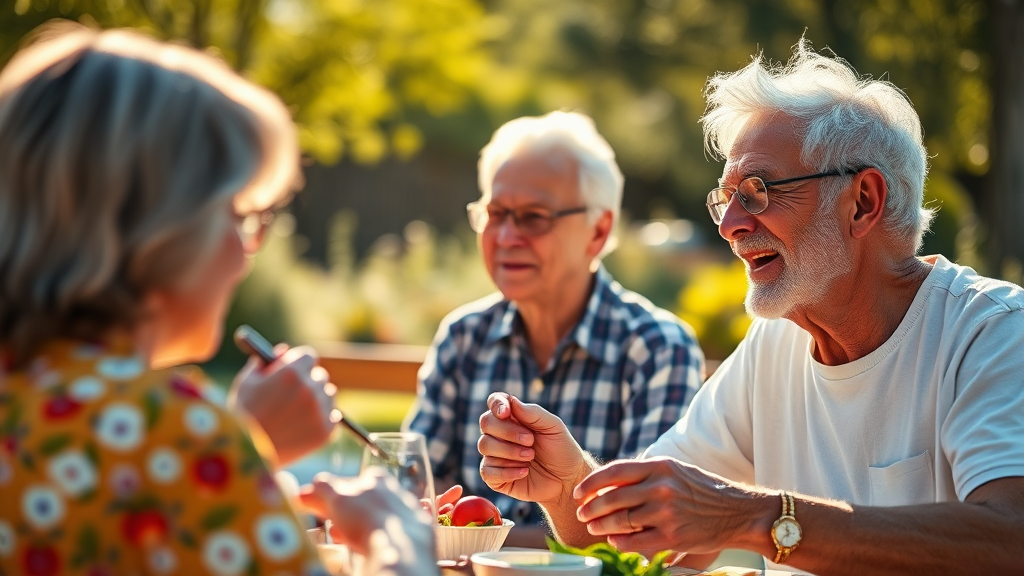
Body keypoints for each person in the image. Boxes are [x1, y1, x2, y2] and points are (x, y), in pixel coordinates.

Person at [477, 41, 1024, 575]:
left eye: (759, 190)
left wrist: (757, 517)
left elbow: (1010, 539)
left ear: (862, 202)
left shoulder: (994, 332)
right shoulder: (775, 343)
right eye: (727, 197)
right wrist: (569, 486)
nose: (730, 224)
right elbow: (655, 543)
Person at [0, 23, 436, 576]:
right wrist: (399, 541)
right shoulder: (176, 433)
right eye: (236, 215)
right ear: (158, 225)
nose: (244, 253)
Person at [405, 111, 704, 542]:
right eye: (496, 213)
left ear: (598, 232)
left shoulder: (657, 348)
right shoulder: (462, 338)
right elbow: (411, 494)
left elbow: (648, 535)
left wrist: (470, 540)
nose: (507, 235)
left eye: (533, 217)